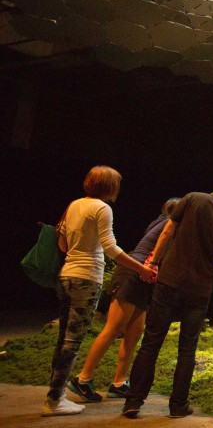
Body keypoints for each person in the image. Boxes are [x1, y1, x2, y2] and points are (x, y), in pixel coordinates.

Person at [122, 177, 213, 419]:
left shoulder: (194, 198)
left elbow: (168, 230)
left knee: (151, 342)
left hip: (169, 281)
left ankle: (133, 402)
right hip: (199, 290)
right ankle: (178, 406)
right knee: (187, 349)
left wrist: (153, 262)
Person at [43, 166, 157, 417]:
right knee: (72, 343)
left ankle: (55, 395)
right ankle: (55, 400)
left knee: (64, 339)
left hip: (67, 275)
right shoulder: (102, 208)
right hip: (86, 278)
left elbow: (62, 243)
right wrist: (142, 269)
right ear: (111, 187)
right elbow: (111, 248)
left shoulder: (74, 205)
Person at [67, 197, 180, 402]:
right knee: (114, 328)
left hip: (145, 279)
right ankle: (82, 379)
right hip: (133, 274)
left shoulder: (164, 221)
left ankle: (119, 382)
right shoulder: (168, 224)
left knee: (134, 333)